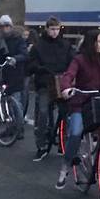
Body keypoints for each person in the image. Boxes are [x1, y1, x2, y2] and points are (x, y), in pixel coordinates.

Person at [56, 30, 100, 189]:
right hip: (81, 102)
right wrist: (66, 88)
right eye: (99, 41)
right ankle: (65, 166)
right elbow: (68, 75)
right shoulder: (79, 59)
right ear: (91, 43)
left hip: (99, 101)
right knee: (76, 132)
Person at [29, 17, 75, 161]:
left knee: (66, 114)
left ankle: (63, 143)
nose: (55, 32)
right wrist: (41, 69)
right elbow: (31, 65)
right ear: (47, 29)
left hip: (62, 83)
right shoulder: (38, 46)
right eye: (52, 29)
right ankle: (41, 145)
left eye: (57, 29)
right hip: (45, 83)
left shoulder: (65, 45)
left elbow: (73, 61)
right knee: (43, 113)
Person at [0, 14, 29, 138]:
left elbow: (24, 54)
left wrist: (15, 59)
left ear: (11, 26)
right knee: (1, 100)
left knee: (15, 103)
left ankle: (19, 129)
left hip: (15, 74)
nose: (4, 29)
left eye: (7, 26)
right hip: (1, 74)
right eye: (2, 26)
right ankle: (8, 127)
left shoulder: (18, 39)